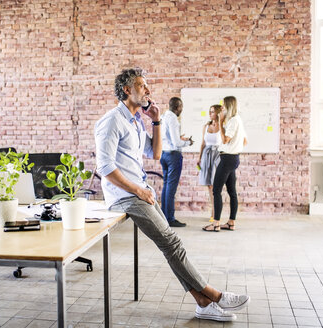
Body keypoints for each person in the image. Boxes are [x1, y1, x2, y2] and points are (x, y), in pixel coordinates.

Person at [95, 68, 250, 321]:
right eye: (141, 85)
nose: (147, 90)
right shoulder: (111, 121)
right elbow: (105, 168)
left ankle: (202, 302)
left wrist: (155, 121)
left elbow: (155, 154)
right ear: (126, 90)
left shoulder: (134, 121)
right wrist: (138, 191)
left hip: (140, 191)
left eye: (146, 86)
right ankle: (214, 295)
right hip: (125, 195)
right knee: (172, 242)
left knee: (170, 245)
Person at [202, 96, 247, 232]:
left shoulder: (233, 121)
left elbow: (225, 139)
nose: (222, 110)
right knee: (232, 192)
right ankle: (231, 223)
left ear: (228, 106)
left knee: (216, 190)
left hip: (227, 159)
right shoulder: (238, 120)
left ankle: (216, 224)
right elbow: (245, 141)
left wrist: (221, 123)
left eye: (223, 107)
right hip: (233, 158)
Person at [160, 97, 193, 227]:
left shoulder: (163, 116)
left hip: (164, 154)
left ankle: (163, 216)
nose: (181, 110)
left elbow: (168, 137)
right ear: (177, 107)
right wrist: (188, 142)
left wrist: (179, 138)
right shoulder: (173, 118)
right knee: (171, 188)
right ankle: (170, 219)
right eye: (181, 108)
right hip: (173, 156)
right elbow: (176, 143)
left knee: (166, 186)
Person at [197, 104, 222, 221]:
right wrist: (199, 157)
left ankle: (215, 213)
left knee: (216, 185)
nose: (210, 114)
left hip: (217, 156)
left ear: (217, 113)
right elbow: (203, 143)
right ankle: (213, 212)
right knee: (209, 185)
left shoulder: (223, 126)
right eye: (210, 111)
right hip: (206, 155)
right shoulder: (205, 126)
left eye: (212, 112)